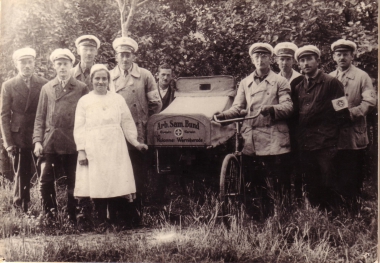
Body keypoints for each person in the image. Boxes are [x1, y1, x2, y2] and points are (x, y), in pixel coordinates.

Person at [215, 43, 293, 217]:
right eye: (256, 56)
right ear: (252, 59)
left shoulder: (280, 81)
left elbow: (288, 106)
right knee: (252, 180)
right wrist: (223, 115)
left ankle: (280, 215)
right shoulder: (245, 82)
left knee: (276, 182)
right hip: (250, 139)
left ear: (271, 59)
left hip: (273, 139)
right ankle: (255, 215)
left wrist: (272, 109)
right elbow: (238, 107)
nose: (260, 59)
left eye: (264, 56)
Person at [73, 64, 148, 224]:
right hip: (94, 146)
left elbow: (127, 122)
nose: (100, 82)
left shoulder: (117, 99)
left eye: (104, 78)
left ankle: (114, 219)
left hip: (115, 145)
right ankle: (101, 221)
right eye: (97, 78)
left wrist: (135, 143)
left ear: (108, 80)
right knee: (98, 181)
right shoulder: (84, 101)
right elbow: (79, 128)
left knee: (116, 180)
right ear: (91, 80)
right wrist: (81, 150)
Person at [109, 37, 161, 220]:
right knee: (118, 172)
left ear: (133, 56)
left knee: (138, 174)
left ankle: (136, 214)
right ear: (116, 57)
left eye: (128, 55)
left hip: (139, 133)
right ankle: (118, 213)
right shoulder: (109, 76)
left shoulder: (145, 75)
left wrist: (145, 124)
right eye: (121, 55)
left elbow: (155, 103)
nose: (124, 59)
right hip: (117, 133)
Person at [33, 48, 88, 221]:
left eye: (66, 64)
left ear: (72, 65)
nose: (62, 67)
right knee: (46, 180)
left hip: (72, 142)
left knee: (74, 180)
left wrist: (84, 144)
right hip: (50, 142)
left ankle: (74, 215)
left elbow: (86, 117)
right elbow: (40, 117)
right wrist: (37, 142)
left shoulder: (81, 87)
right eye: (59, 64)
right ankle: (50, 214)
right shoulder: (47, 88)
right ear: (54, 67)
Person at [292, 45, 348, 210]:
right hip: (306, 143)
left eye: (309, 59)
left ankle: (334, 217)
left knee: (328, 181)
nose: (306, 63)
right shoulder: (298, 87)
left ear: (318, 61)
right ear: (299, 65)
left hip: (326, 143)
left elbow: (342, 113)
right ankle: (316, 216)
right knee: (311, 182)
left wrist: (330, 135)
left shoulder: (332, 83)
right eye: (302, 60)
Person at [329, 39, 376, 211]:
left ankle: (354, 206)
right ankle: (338, 207)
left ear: (352, 56)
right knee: (336, 170)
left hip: (354, 133)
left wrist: (353, 112)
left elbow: (370, 101)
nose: (342, 58)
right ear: (334, 57)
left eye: (345, 54)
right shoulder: (330, 77)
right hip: (334, 134)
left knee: (353, 170)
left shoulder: (361, 76)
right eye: (338, 54)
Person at [0, 47, 48, 212]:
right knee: (21, 173)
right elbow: (4, 115)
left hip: (38, 133)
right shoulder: (9, 85)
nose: (27, 66)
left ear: (34, 62)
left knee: (44, 171)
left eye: (30, 62)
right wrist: (8, 143)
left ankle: (47, 208)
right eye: (23, 63)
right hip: (18, 135)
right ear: (16, 64)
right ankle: (21, 209)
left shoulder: (43, 84)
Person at [274, 42, 304, 201]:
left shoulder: (301, 79)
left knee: (298, 162)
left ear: (293, 61)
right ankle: (283, 198)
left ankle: (299, 197)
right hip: (279, 126)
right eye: (281, 59)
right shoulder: (273, 79)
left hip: (297, 126)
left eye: (287, 59)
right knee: (282, 162)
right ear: (276, 61)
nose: (284, 63)